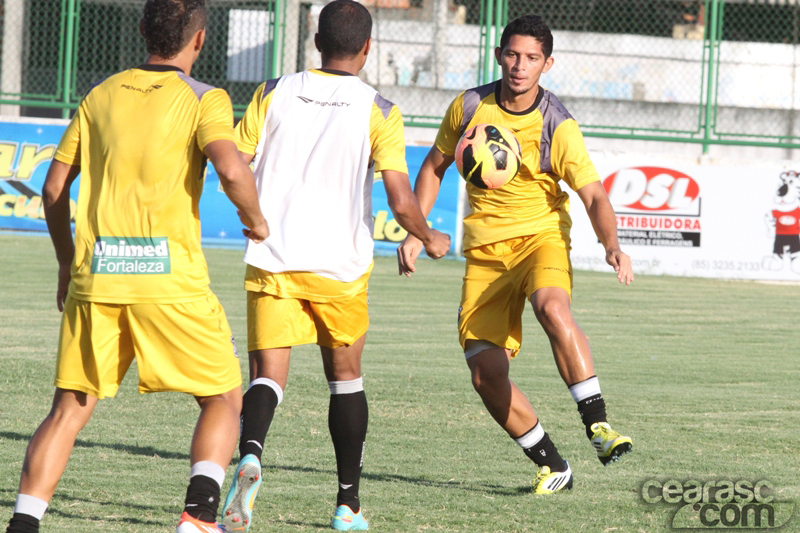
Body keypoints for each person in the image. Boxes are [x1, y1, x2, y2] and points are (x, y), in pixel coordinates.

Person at [4, 1, 268, 532]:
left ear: (144, 29)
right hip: (170, 280)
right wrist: (256, 220)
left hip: (97, 276)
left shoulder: (99, 94)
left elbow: (54, 189)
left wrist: (65, 261)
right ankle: (198, 516)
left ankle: (24, 524)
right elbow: (231, 168)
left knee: (68, 410)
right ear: (199, 40)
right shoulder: (205, 98)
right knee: (223, 397)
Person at [218, 0, 451, 531]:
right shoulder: (380, 109)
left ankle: (251, 454)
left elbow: (237, 161)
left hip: (274, 255)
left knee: (267, 376)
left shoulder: (272, 91)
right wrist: (428, 234)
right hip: (340, 267)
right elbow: (398, 197)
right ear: (368, 50)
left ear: (316, 42)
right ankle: (348, 505)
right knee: (345, 379)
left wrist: (251, 212)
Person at [397, 14, 634, 494]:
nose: (519, 67)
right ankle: (552, 464)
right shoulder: (469, 106)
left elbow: (593, 196)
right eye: (512, 55)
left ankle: (599, 426)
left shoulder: (556, 124)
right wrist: (417, 232)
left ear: (547, 64)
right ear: (499, 54)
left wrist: (612, 244)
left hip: (541, 239)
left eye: (531, 59)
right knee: (486, 373)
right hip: (485, 254)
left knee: (552, 306)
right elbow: (433, 166)